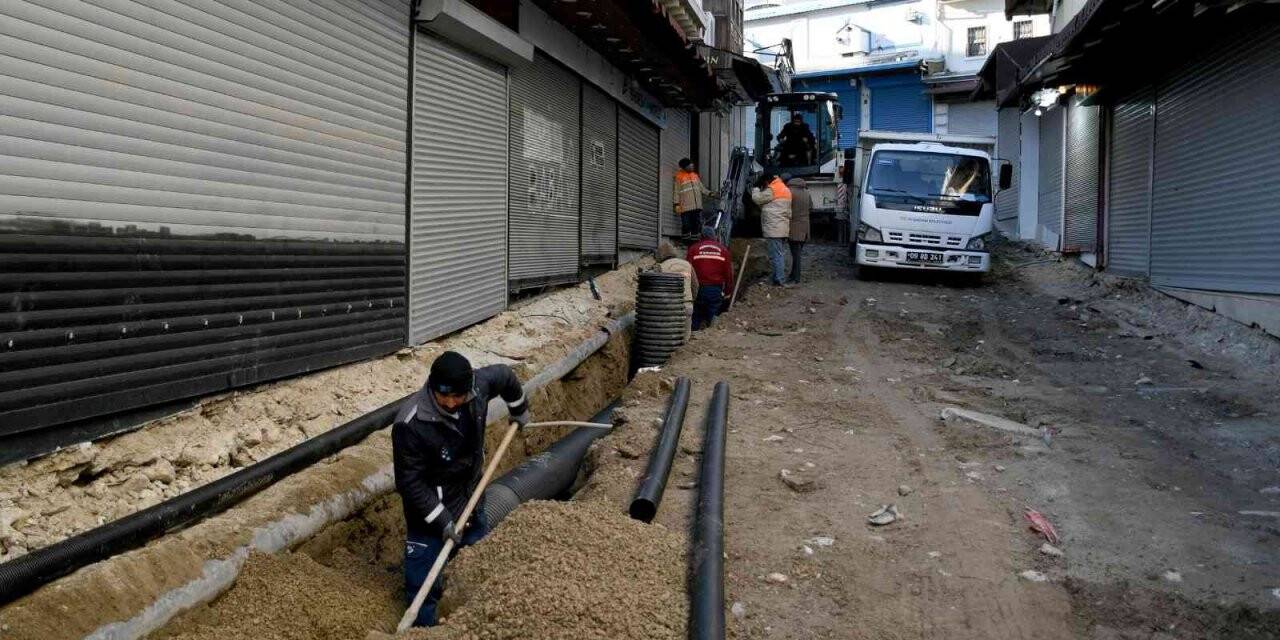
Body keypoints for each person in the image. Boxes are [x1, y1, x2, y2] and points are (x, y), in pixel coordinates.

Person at [392, 351, 531, 627]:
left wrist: (519, 409)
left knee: (479, 569)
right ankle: (425, 628)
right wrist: (443, 521)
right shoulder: (411, 425)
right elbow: (410, 483)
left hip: (470, 499)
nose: (453, 402)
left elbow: (504, 375)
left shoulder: (477, 389)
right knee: (422, 589)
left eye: (459, 396)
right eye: (446, 396)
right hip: (430, 516)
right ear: (433, 386)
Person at [686, 226, 734, 330]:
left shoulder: (693, 249)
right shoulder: (723, 250)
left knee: (695, 317)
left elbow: (687, 270)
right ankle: (711, 336)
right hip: (715, 290)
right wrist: (728, 292)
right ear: (714, 236)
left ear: (701, 236)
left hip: (697, 289)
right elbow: (728, 275)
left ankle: (693, 336)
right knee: (713, 319)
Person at [750, 172, 792, 286]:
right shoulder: (784, 189)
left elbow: (757, 199)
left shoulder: (772, 190)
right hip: (782, 227)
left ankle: (779, 279)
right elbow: (773, 206)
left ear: (766, 182)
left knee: (776, 255)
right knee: (778, 254)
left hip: (774, 229)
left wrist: (755, 188)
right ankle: (776, 277)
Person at [673, 158, 714, 241]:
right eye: (690, 165)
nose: (692, 167)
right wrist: (676, 204)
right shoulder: (679, 177)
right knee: (686, 225)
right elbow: (676, 191)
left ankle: (694, 242)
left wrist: (710, 193)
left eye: (692, 165)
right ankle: (685, 241)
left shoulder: (695, 176)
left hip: (697, 206)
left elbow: (702, 188)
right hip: (685, 207)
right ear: (685, 167)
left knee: (696, 225)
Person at [786, 177, 811, 284]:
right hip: (805, 228)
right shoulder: (806, 192)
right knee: (798, 252)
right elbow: (811, 206)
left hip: (794, 227)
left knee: (796, 254)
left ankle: (796, 277)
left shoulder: (789, 192)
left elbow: (785, 208)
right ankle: (793, 275)